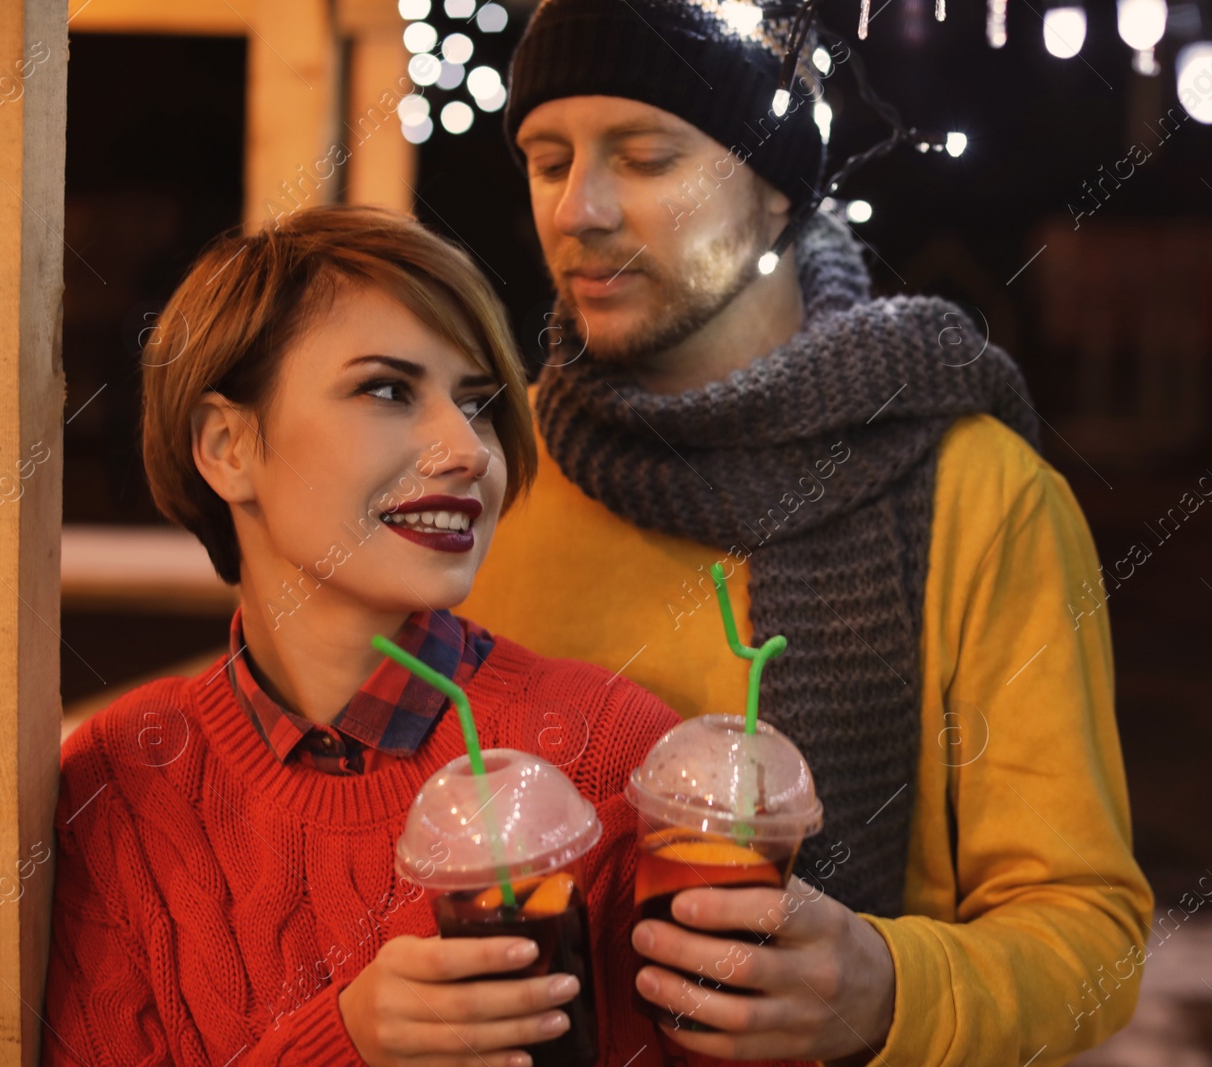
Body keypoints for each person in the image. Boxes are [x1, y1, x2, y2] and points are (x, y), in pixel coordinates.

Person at [452, 0, 1157, 1063]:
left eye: (644, 158)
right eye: (548, 161)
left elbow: (1089, 935)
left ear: (779, 185)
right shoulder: (486, 475)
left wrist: (885, 986)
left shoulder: (972, 491)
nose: (578, 209)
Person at [43, 205, 812, 1067]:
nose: (466, 450)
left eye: (478, 403)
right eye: (387, 388)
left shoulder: (615, 754)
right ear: (227, 446)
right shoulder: (112, 788)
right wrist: (350, 1045)